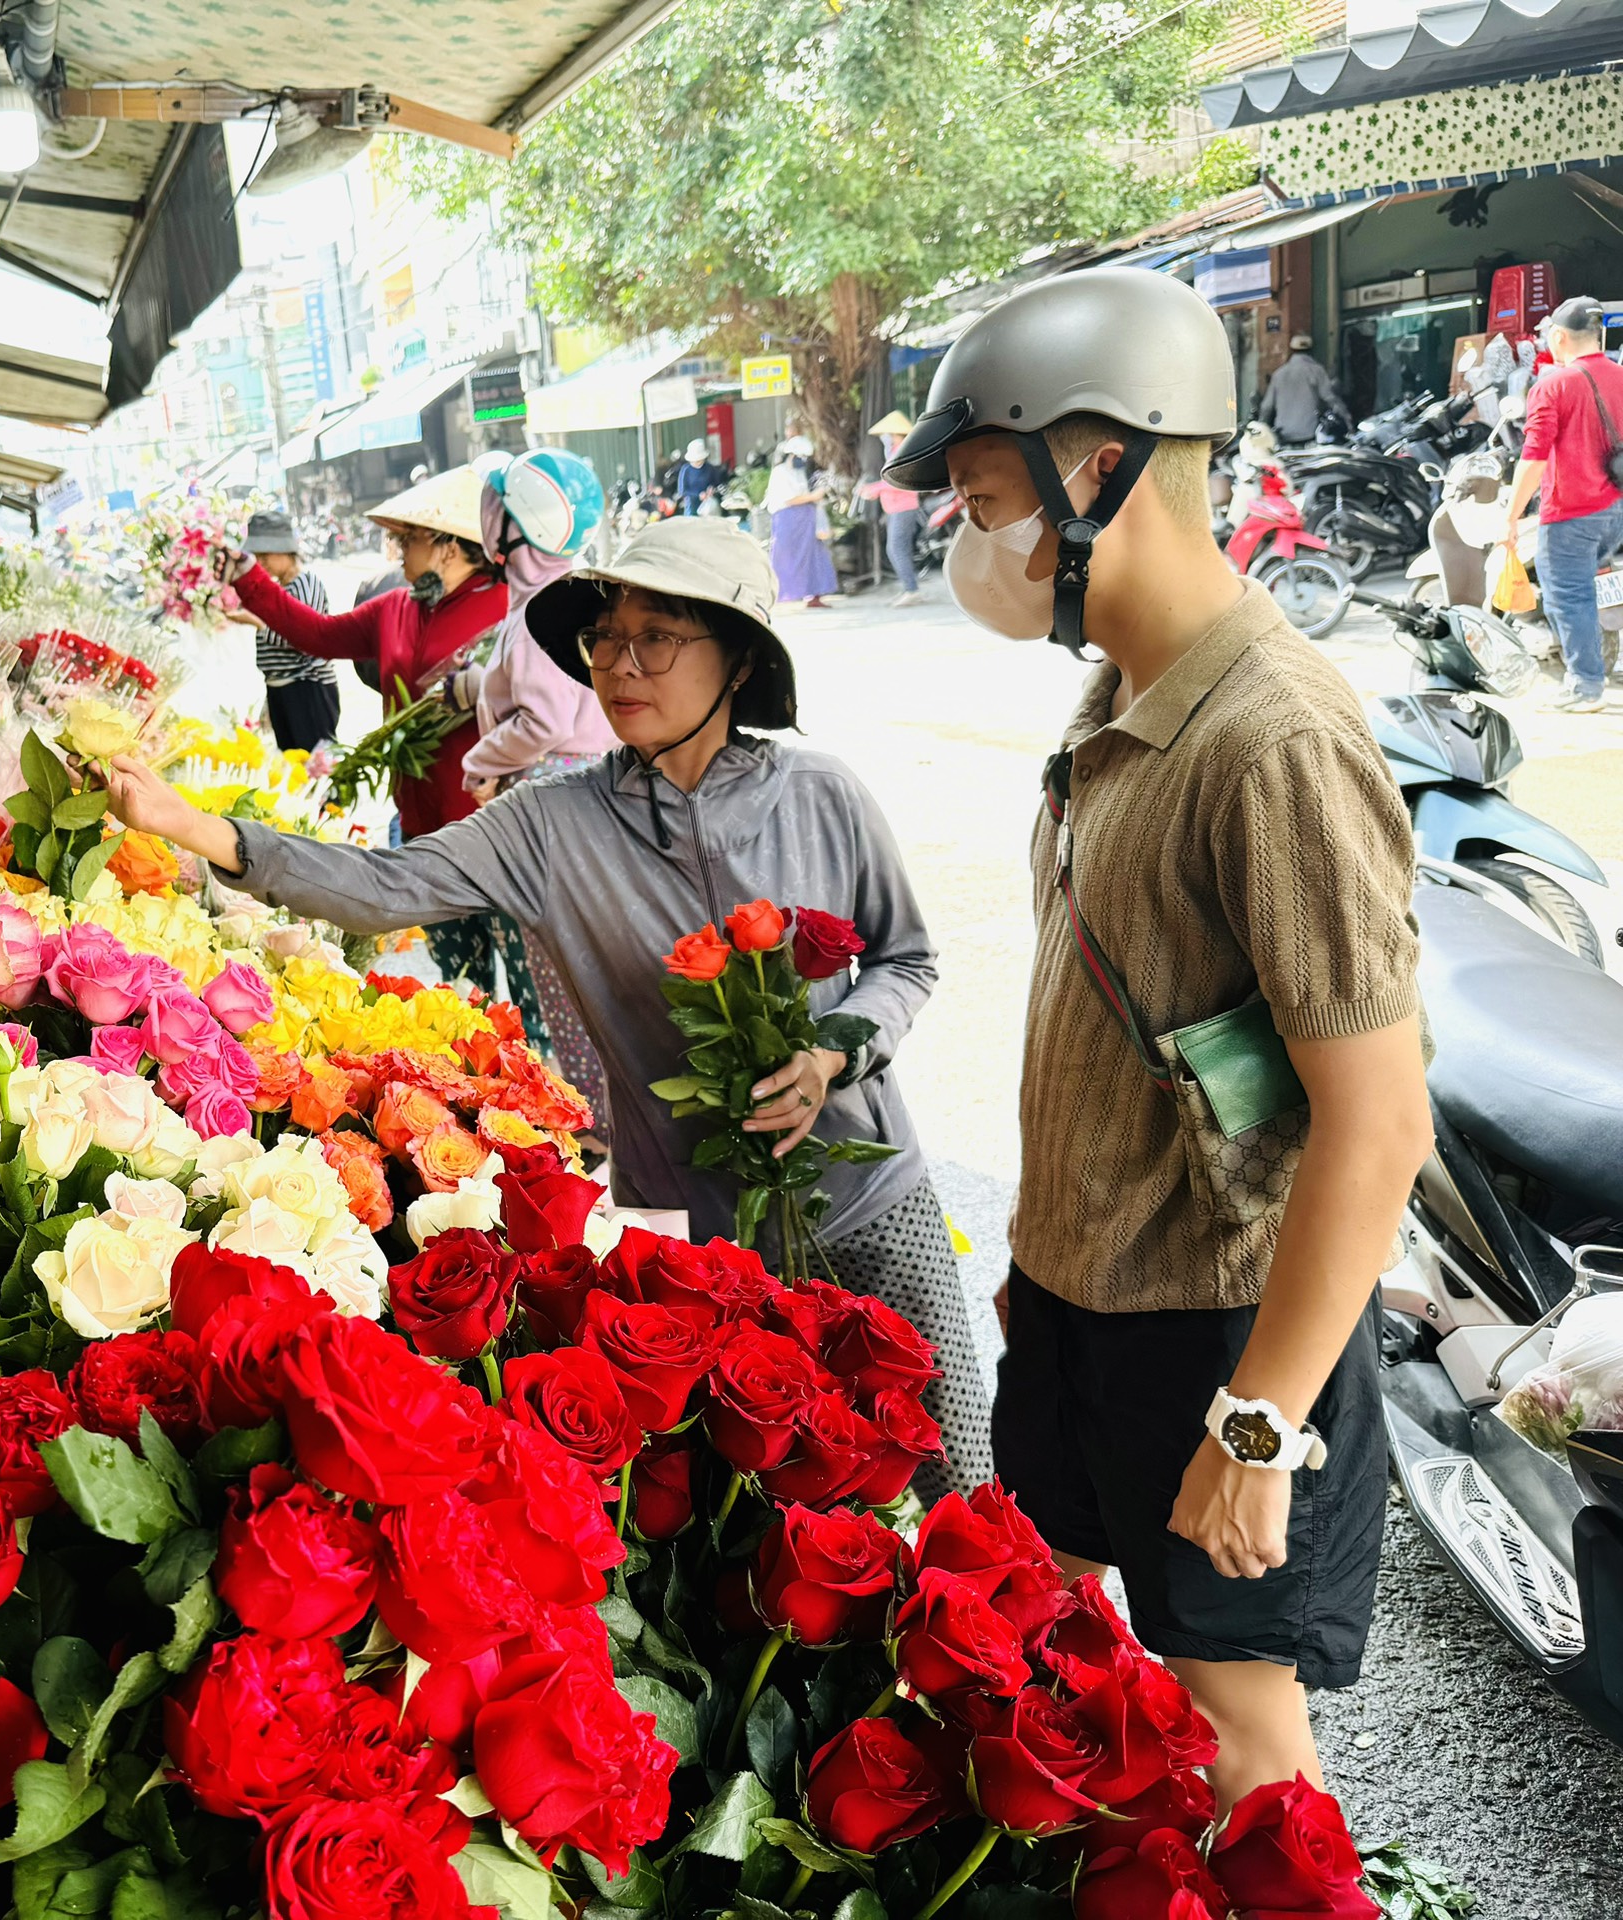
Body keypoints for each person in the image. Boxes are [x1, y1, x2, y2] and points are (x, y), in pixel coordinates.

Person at [106, 515, 994, 1498]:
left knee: (957, 1479)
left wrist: (831, 1052)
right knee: (774, 1512)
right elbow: (383, 887)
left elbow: (905, 958)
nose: (620, 665)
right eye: (605, 638)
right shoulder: (550, 824)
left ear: (740, 661)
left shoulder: (823, 796)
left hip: (871, 1202)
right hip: (703, 1247)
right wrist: (191, 827)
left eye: (657, 638)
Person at [890, 267, 1431, 1807]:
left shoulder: (1275, 739)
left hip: (1221, 1332)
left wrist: (1258, 1428)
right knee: (1046, 1653)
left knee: (1242, 1734)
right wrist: (1049, 1252)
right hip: (1081, 1303)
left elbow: (1380, 1119)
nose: (967, 541)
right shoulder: (1116, 698)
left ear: (1098, 469)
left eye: (984, 499)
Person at [220, 465, 516, 989]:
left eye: (409, 539)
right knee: (463, 983)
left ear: (449, 547)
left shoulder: (508, 608)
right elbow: (317, 634)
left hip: (495, 825)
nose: (397, 550)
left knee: (526, 984)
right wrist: (249, 576)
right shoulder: (397, 608)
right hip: (424, 829)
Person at [456, 449, 620, 1134]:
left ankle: (598, 1124)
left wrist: (480, 761)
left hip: (553, 803)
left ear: (513, 526)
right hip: (596, 794)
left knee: (563, 978)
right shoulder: (577, 594)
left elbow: (545, 722)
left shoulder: (536, 615)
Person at [1502, 295, 1623, 713]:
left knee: (1569, 597)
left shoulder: (1553, 385)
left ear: (1557, 336)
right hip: (1617, 510)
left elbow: (1533, 457)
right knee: (1593, 589)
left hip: (1572, 514)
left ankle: (1585, 686)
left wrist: (1511, 516)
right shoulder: (1621, 376)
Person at [229, 510, 342, 752]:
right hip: (281, 688)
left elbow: (304, 639)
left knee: (316, 763)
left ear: (284, 550)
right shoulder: (280, 589)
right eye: (257, 555)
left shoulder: (306, 584)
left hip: (307, 687)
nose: (260, 562)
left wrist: (256, 622)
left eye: (265, 555)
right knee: (292, 763)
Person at [859, 408, 925, 605]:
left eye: (887, 435)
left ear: (896, 434)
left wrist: (874, 488)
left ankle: (911, 590)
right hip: (897, 508)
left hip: (903, 508)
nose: (884, 438)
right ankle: (910, 589)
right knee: (899, 549)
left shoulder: (903, 452)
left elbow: (898, 481)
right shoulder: (897, 452)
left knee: (896, 549)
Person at [766, 435, 837, 605]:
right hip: (787, 520)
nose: (804, 460)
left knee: (814, 556)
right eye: (801, 457)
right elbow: (789, 499)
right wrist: (813, 496)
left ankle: (814, 596)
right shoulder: (780, 472)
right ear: (792, 455)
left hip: (805, 521)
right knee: (784, 558)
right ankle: (778, 595)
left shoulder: (799, 473)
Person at [1262, 332, 1347, 446]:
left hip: (1283, 433)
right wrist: (1348, 420)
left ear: (1291, 350)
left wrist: (1261, 427)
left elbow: (1266, 407)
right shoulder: (1317, 371)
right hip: (1308, 433)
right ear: (1311, 350)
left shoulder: (1279, 374)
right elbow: (1330, 398)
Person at [674, 436, 726, 515]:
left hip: (707, 506)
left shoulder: (709, 468)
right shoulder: (686, 470)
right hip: (691, 506)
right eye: (695, 461)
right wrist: (698, 495)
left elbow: (716, 483)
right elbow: (682, 491)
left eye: (700, 460)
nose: (697, 463)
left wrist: (711, 489)